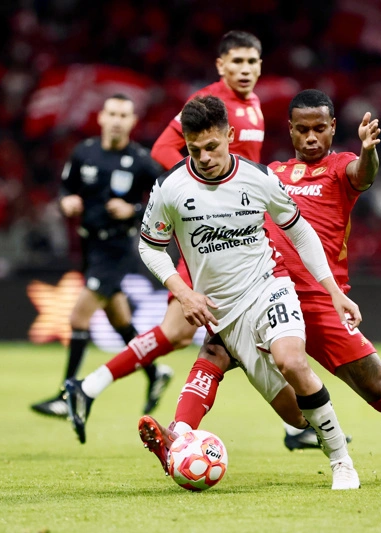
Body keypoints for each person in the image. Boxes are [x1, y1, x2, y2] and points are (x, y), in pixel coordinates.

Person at [122, 89, 381, 483]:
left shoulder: (341, 166)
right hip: (260, 290)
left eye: (319, 130)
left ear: (331, 130)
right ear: (290, 131)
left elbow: (364, 175)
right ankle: (180, 438)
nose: (311, 138)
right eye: (302, 130)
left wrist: (368, 152)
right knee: (223, 357)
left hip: (318, 298)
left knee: (374, 383)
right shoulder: (270, 173)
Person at [63, 31, 322, 449]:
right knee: (193, 334)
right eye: (235, 62)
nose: (244, 70)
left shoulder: (253, 107)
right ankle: (92, 387)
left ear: (260, 66)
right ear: (220, 65)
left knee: (197, 338)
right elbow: (164, 150)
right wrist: (200, 190)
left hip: (244, 233)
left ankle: (93, 388)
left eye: (251, 62)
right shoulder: (205, 108)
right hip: (209, 232)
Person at [104, 95, 360, 489]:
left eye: (212, 147)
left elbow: (300, 232)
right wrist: (183, 292)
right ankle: (178, 440)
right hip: (221, 309)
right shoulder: (170, 188)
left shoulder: (257, 178)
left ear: (230, 136)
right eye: (194, 149)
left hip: (267, 287)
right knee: (295, 416)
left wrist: (333, 292)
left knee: (292, 360)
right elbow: (149, 247)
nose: (204, 157)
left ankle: (342, 462)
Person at [30, 94, 173, 418]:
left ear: (133, 121)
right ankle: (155, 373)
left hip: (117, 248)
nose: (118, 119)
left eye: (124, 114)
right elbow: (67, 188)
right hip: (90, 246)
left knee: (79, 319)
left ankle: (66, 396)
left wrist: (133, 209)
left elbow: (166, 196)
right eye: (112, 113)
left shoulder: (140, 160)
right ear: (101, 118)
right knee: (120, 320)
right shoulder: (85, 152)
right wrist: (67, 202)